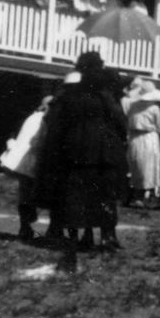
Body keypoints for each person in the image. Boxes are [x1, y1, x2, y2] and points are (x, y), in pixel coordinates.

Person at [40, 51, 127, 251]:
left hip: (75, 150)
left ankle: (81, 234)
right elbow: (120, 120)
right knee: (105, 194)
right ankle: (107, 235)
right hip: (104, 151)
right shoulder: (105, 95)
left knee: (78, 193)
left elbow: (54, 120)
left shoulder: (69, 94)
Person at [0, 95, 54, 241]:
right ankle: (27, 225)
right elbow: (37, 142)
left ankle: (26, 225)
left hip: (25, 161)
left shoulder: (34, 117)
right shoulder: (41, 119)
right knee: (28, 194)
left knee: (25, 194)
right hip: (30, 161)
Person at [125, 80, 160, 208]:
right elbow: (157, 125)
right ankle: (145, 195)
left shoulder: (133, 105)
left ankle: (136, 194)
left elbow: (129, 122)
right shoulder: (154, 108)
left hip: (135, 137)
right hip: (149, 137)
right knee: (149, 166)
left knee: (136, 165)